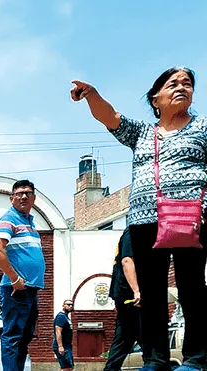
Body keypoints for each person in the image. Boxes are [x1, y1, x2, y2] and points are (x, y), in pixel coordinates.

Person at [71, 67, 207, 371]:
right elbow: (111, 117)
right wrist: (92, 95)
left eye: (188, 84)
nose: (182, 87)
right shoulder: (143, 132)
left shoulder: (203, 128)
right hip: (145, 221)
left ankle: (197, 360)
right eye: (173, 84)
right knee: (153, 293)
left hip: (191, 218)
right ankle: (156, 360)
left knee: (192, 287)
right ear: (155, 99)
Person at [0, 180, 45, 371]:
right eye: (20, 193)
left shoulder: (30, 223)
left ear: (34, 198)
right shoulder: (9, 219)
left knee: (25, 335)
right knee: (13, 335)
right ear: (11, 198)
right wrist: (15, 279)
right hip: (17, 288)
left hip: (30, 288)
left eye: (28, 193)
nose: (24, 196)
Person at [104, 228, 145, 370]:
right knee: (147, 338)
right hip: (130, 297)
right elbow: (127, 260)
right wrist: (136, 291)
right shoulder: (132, 232)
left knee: (124, 339)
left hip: (125, 296)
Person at [53, 299, 75, 371]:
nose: (70, 306)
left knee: (69, 367)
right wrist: (60, 346)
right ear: (63, 306)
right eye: (68, 305)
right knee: (66, 368)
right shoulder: (61, 316)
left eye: (72, 305)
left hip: (67, 345)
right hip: (63, 346)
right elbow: (58, 332)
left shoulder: (66, 317)